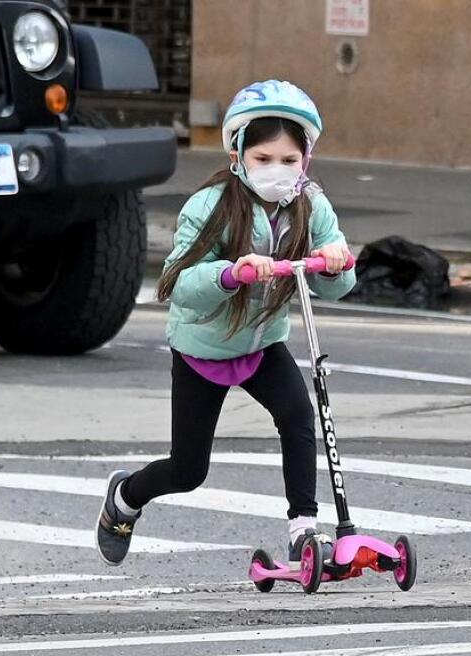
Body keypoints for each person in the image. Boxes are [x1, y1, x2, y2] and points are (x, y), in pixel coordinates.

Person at [95, 80, 355, 567]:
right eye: (263, 158)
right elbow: (179, 284)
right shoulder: (210, 205)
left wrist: (336, 263)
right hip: (203, 348)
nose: (277, 169)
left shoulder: (311, 205)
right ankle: (125, 497)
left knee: (298, 415)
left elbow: (336, 286)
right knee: (188, 469)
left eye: (289, 159)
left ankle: (303, 528)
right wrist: (231, 273)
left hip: (262, 343)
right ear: (238, 156)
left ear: (306, 160)